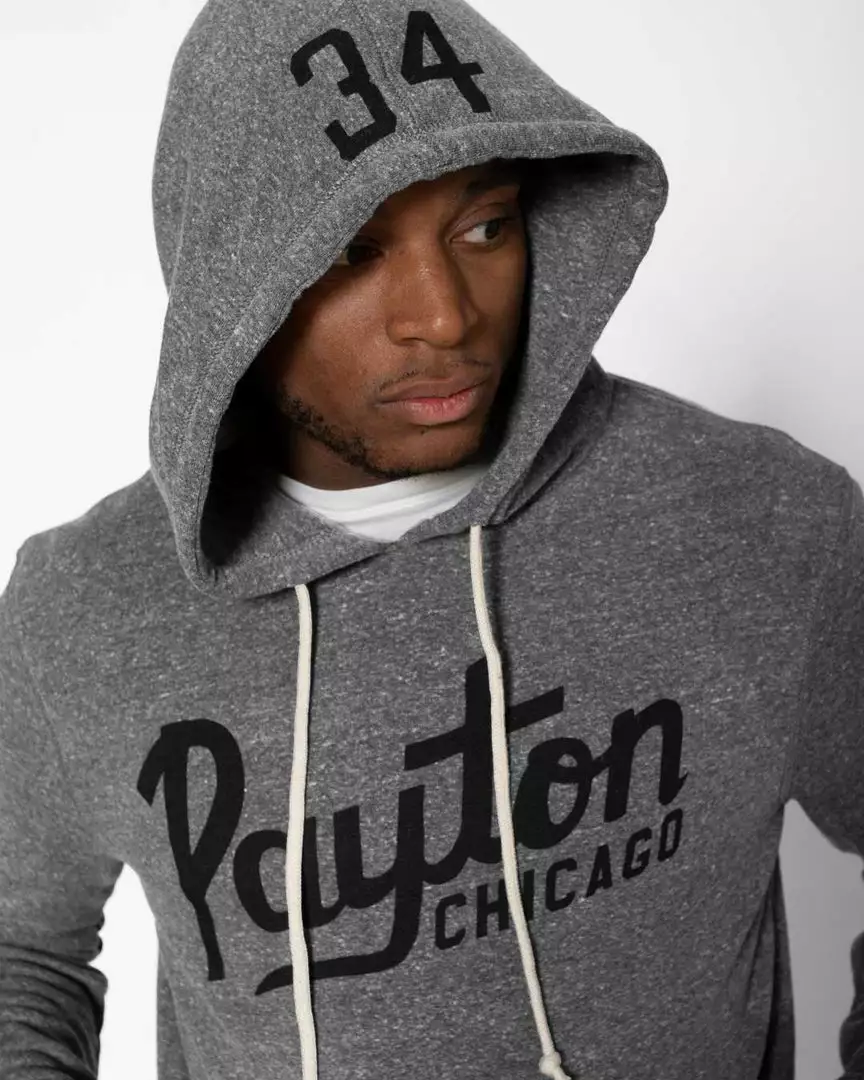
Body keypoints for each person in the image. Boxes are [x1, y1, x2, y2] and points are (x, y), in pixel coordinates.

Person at [1, 0, 862, 1078]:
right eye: (353, 251)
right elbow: (20, 947)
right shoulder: (80, 611)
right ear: (232, 289)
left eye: (484, 227)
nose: (446, 318)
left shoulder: (766, 522)